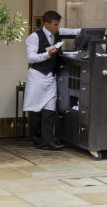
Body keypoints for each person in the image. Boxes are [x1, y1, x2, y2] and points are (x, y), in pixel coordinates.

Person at [24, 10, 80, 150]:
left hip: (50, 77)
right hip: (37, 76)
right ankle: (37, 139)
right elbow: (30, 58)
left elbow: (72, 31)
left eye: (58, 25)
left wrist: (85, 31)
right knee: (36, 109)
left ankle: (48, 141)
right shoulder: (34, 37)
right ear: (46, 23)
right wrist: (47, 54)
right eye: (55, 25)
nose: (57, 27)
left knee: (49, 108)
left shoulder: (57, 32)